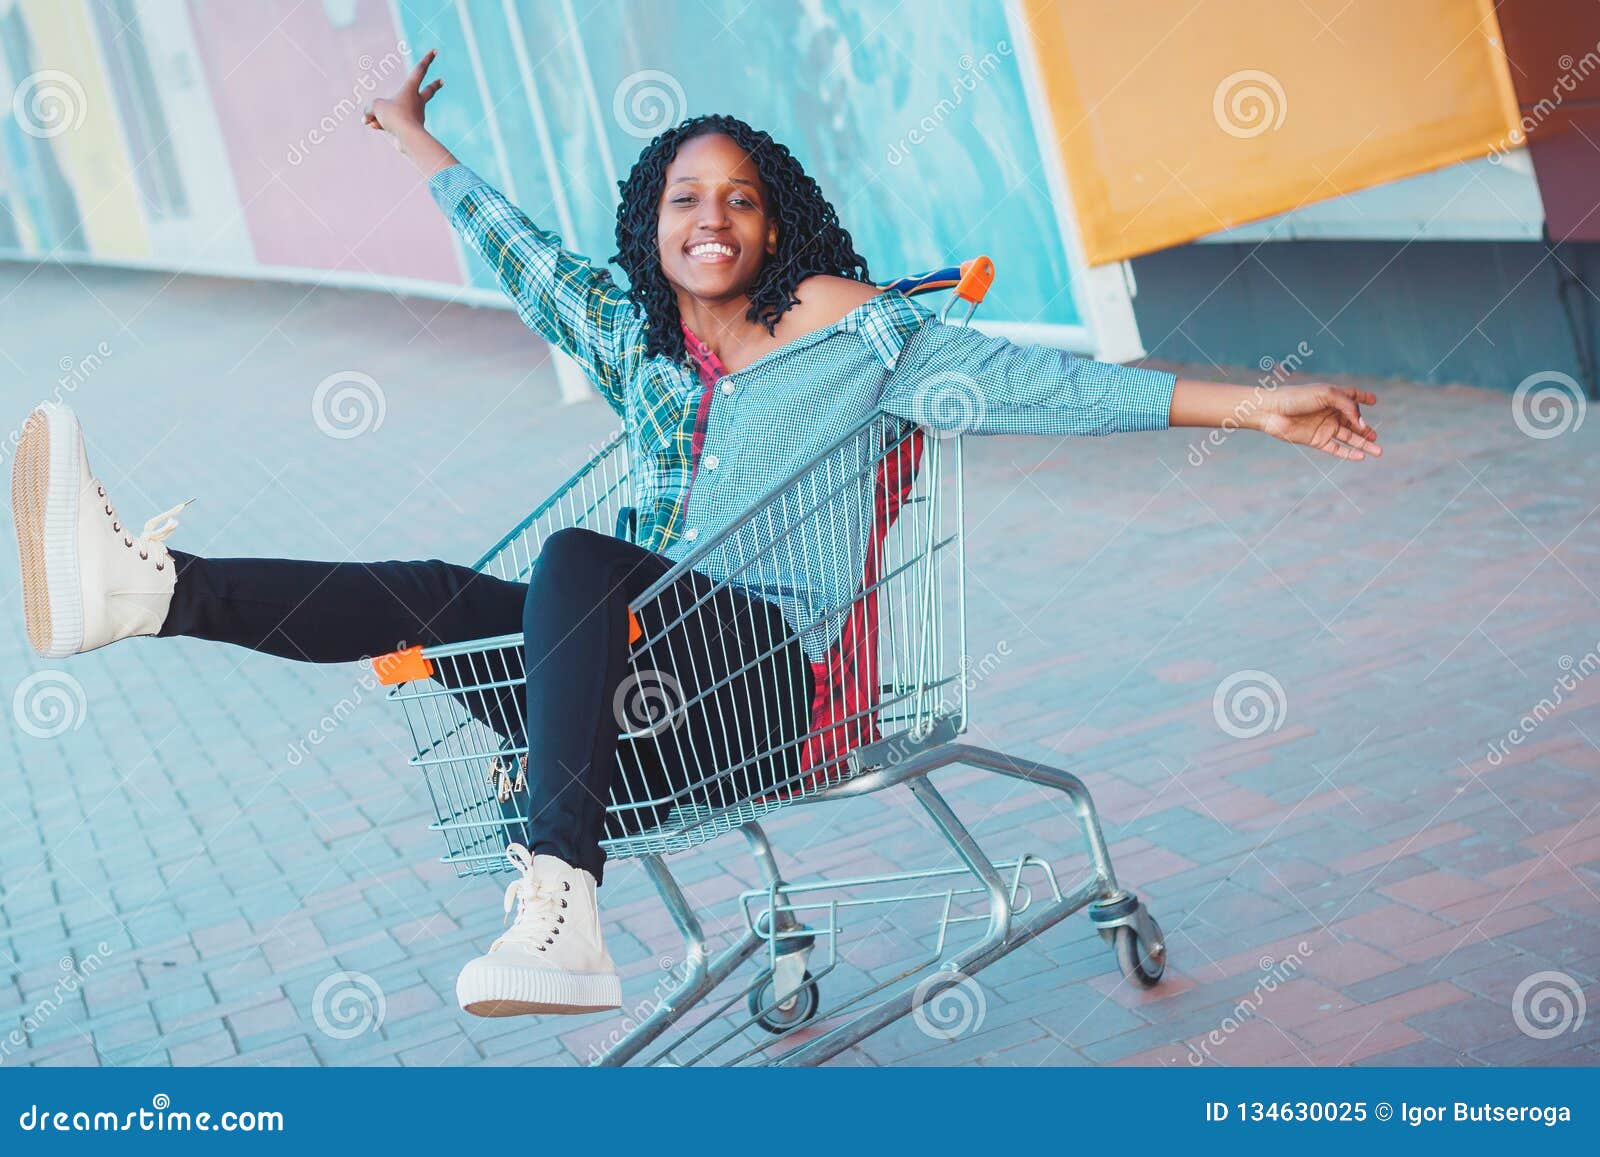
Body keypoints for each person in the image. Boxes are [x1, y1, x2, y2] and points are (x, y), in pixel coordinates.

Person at [8, 50, 1381, 1021]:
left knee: (573, 563)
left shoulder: (861, 329)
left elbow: (1050, 385)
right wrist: (414, 140)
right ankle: (142, 589)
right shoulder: (646, 353)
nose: (707, 217)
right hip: (635, 693)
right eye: (681, 198)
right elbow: (522, 252)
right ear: (651, 229)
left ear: (775, 219)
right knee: (441, 594)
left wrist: (1256, 405)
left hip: (771, 684)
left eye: (736, 197)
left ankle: (562, 899)